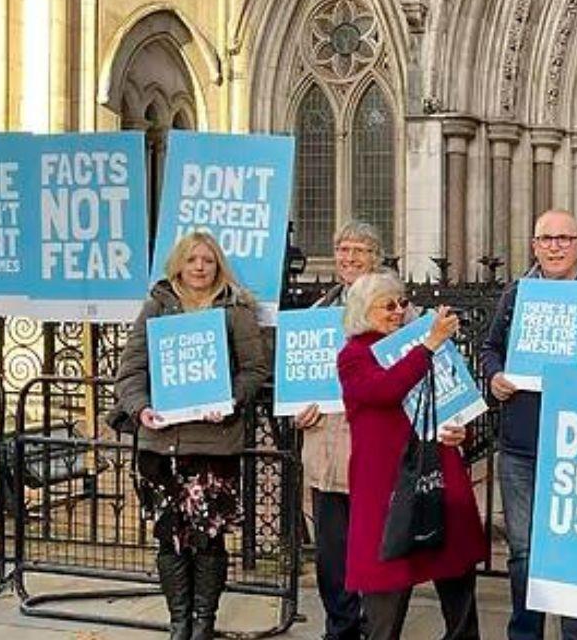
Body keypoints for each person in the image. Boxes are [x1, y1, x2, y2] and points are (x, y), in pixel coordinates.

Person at [479, 209, 577, 640]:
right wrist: (494, 376)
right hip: (522, 445)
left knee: (575, 554)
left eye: (564, 238)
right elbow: (490, 348)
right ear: (534, 245)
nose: (554, 246)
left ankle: (576, 635)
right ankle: (524, 634)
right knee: (524, 554)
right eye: (546, 239)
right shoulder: (516, 295)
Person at [114, 231, 270, 640]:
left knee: (209, 539)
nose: (200, 267)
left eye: (208, 260)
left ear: (218, 266)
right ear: (178, 265)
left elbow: (255, 370)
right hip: (160, 445)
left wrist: (232, 400)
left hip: (214, 444)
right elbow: (130, 372)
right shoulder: (156, 309)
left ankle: (204, 624)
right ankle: (178, 623)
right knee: (170, 539)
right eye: (192, 260)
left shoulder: (235, 310)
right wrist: (140, 408)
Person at [338, 271, 487, 640]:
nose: (398, 311)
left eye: (402, 303)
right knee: (387, 586)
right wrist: (428, 345)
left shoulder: (421, 344)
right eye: (388, 305)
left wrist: (461, 431)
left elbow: (455, 399)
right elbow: (384, 390)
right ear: (362, 310)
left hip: (437, 471)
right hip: (386, 484)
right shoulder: (354, 356)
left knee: (456, 576)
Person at [294, 221, 382, 640]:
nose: (349, 258)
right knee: (331, 553)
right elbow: (298, 387)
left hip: (371, 450)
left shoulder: (396, 310)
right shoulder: (317, 315)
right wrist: (298, 411)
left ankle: (375, 625)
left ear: (376, 257)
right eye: (343, 249)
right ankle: (342, 627)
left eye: (359, 250)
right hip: (326, 452)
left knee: (374, 548)